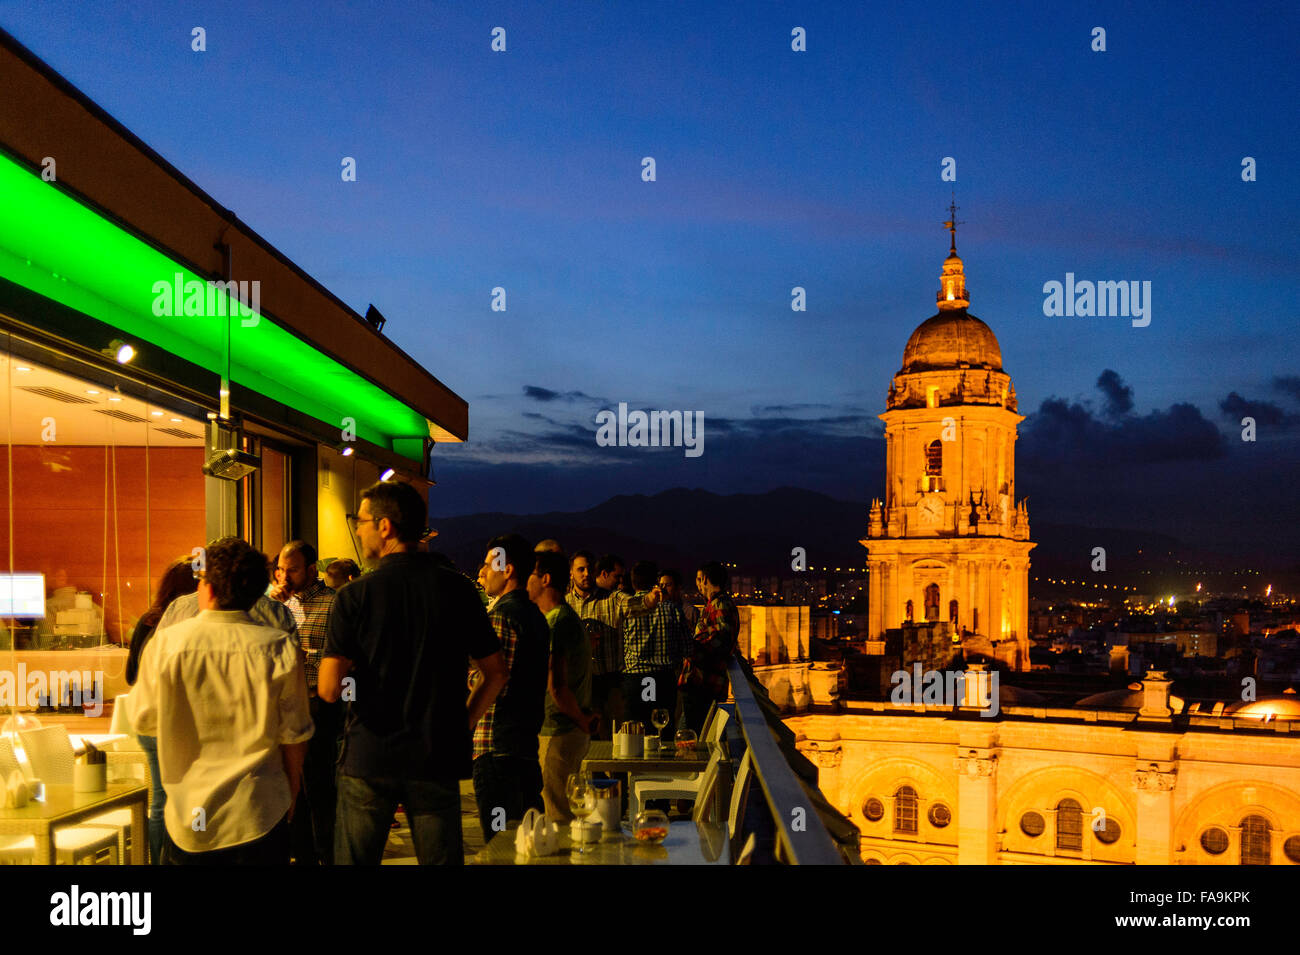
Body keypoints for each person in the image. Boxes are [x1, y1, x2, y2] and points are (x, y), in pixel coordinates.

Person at [320, 481, 506, 865]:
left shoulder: (354, 596)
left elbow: (328, 689)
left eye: (362, 520)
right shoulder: (459, 590)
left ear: (385, 526)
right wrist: (464, 721)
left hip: (370, 754)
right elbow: (496, 673)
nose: (358, 529)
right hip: (435, 752)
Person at [126, 537, 313, 865]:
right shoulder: (280, 648)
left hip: (189, 816)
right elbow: (294, 735)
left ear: (208, 589)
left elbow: (143, 718)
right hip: (260, 810)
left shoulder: (167, 645)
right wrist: (292, 793)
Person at [471, 533, 550, 839]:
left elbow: (493, 679)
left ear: (509, 569)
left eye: (490, 564)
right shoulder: (536, 616)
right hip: (525, 745)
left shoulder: (501, 616)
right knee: (528, 842)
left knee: (500, 844)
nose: (484, 571)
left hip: (496, 745)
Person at [124, 556, 198, 864]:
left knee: (159, 801)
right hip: (180, 724)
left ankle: (158, 861)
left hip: (148, 722)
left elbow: (130, 676)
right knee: (185, 800)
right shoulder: (193, 625)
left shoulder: (149, 621)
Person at [270, 540, 338, 865]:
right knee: (290, 785)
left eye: (292, 569)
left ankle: (328, 853)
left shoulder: (333, 604)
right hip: (286, 706)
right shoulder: (279, 605)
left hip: (319, 705)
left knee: (320, 787)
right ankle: (302, 853)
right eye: (280, 569)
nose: (284, 576)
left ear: (312, 570)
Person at [527, 550, 596, 822]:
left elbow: (557, 687)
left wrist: (581, 720)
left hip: (558, 731)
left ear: (544, 579)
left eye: (529, 576)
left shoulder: (557, 622)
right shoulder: (561, 618)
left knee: (558, 816)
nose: (524, 583)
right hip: (565, 729)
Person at [621, 561, 690, 735]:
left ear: (633, 582)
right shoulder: (672, 609)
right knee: (663, 728)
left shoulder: (627, 607)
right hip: (663, 678)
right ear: (655, 583)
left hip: (635, 677)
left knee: (635, 730)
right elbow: (687, 646)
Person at [678, 561, 741, 734]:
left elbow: (721, 643)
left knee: (689, 734)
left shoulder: (719, 605)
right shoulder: (717, 604)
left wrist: (688, 649)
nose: (698, 584)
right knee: (692, 732)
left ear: (704, 579)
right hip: (705, 683)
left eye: (699, 579)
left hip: (703, 684)